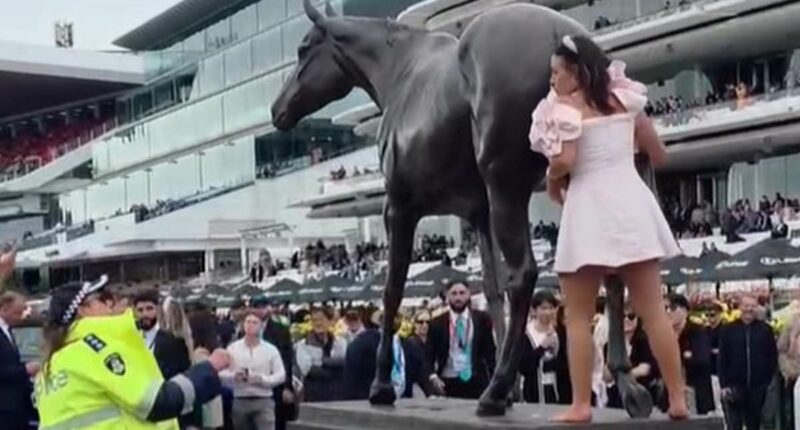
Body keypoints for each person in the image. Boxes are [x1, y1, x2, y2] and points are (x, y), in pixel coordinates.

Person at [529, 34, 688, 422]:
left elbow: (565, 160)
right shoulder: (626, 99)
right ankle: (678, 399)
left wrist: (551, 179)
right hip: (632, 204)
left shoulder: (563, 109)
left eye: (555, 73)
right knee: (654, 312)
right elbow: (657, 151)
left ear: (576, 74)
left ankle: (581, 404)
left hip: (588, 208)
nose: (551, 81)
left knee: (579, 317)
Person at [35, 276, 231, 430]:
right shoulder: (94, 349)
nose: (110, 304)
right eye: (102, 299)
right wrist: (209, 369)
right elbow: (156, 402)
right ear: (83, 310)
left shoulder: (53, 363)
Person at [427, 281, 496, 399]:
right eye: (454, 294)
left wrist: (494, 379)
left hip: (475, 380)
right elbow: (428, 355)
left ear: (469, 294)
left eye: (462, 293)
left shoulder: (482, 319)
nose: (458, 297)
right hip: (448, 381)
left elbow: (489, 351)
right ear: (447, 296)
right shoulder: (437, 323)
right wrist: (432, 376)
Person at [718, 295, 778, 430]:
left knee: (755, 424)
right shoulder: (728, 330)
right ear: (740, 307)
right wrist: (724, 385)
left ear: (757, 308)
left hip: (758, 387)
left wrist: (768, 381)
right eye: (746, 306)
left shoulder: (765, 329)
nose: (749, 309)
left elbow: (772, 356)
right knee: (734, 425)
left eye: (752, 306)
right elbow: (722, 358)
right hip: (734, 386)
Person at [221, 312, 285, 430]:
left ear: (261, 326)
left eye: (254, 322)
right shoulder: (232, 348)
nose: (250, 325)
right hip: (240, 399)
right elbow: (221, 373)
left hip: (264, 399)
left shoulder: (271, 350)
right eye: (247, 322)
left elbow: (281, 375)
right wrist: (233, 376)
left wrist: (263, 380)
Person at [251, 296, 296, 430]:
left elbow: (287, 359)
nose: (260, 311)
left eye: (263, 307)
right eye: (256, 307)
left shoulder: (280, 330)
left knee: (276, 422)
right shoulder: (246, 330)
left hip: (275, 385)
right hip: (254, 385)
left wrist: (287, 387)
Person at [604, 304, 659, 409]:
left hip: (640, 394)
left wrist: (620, 377)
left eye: (631, 316)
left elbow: (644, 369)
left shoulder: (644, 341)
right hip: (616, 397)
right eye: (622, 316)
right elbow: (607, 376)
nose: (626, 320)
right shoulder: (609, 344)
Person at [668, 294, 714, 415]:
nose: (667, 312)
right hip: (670, 397)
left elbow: (702, 359)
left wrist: (685, 357)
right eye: (664, 309)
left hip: (695, 392)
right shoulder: (664, 335)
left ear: (684, 311)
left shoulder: (697, 331)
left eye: (672, 308)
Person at [0, 291, 38, 430]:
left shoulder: (7, 330)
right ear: (4, 309)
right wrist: (25, 370)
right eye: (17, 312)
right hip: (4, 409)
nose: (22, 316)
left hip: (17, 406)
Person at [135, 290, 191, 380]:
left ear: (157, 310)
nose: (145, 314)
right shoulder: (130, 340)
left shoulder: (173, 342)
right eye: (140, 310)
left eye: (149, 309)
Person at [295, 306, 347, 402]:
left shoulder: (340, 342)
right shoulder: (303, 344)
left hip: (337, 392)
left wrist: (321, 362)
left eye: (321, 319)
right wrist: (331, 365)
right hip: (314, 392)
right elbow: (308, 369)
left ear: (329, 321)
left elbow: (344, 363)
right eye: (314, 320)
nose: (318, 323)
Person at [519, 290, 562, 404]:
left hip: (555, 387)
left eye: (551, 308)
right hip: (533, 389)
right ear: (534, 310)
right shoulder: (526, 333)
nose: (548, 312)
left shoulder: (560, 332)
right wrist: (542, 347)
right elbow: (523, 365)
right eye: (543, 308)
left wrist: (553, 364)